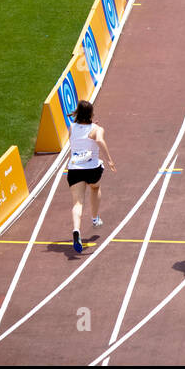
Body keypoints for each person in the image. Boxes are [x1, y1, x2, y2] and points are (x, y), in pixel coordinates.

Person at [65, 100, 116, 254]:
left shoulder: (72, 127)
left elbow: (76, 136)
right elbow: (99, 140)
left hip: (74, 169)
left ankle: (76, 230)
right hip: (92, 169)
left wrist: (87, 126)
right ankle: (95, 218)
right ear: (91, 113)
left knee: (77, 203)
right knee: (95, 187)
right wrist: (109, 159)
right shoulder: (97, 129)